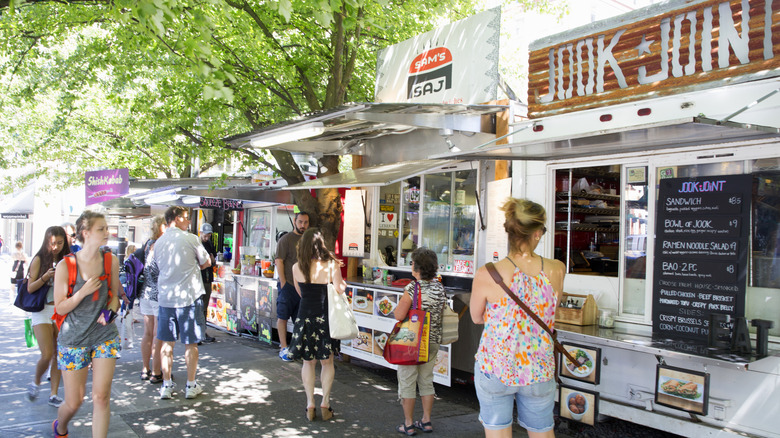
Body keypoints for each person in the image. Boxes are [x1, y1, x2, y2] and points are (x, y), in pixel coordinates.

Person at [469, 198, 565, 438]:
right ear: (537, 232)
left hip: (496, 365)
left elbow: (476, 317)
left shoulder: (487, 273)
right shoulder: (556, 269)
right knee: (542, 433)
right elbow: (550, 312)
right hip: (539, 367)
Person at [52, 211, 121, 438]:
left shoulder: (111, 260)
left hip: (104, 335)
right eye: (101, 229)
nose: (107, 232)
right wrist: (81, 293)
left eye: (106, 228)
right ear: (86, 233)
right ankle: (60, 427)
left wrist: (110, 312)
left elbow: (114, 297)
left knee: (101, 396)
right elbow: (60, 308)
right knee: (75, 402)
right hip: (74, 339)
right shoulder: (66, 265)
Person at [153, 206, 211, 400]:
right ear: (176, 219)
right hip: (189, 297)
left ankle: (167, 384)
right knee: (191, 344)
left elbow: (157, 268)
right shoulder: (191, 238)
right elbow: (205, 263)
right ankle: (191, 384)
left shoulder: (159, 243)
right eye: (186, 218)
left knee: (167, 344)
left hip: (166, 299)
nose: (188, 222)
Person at [287, 228, 344, 422]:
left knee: (307, 362)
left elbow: (300, 293)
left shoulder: (296, 267)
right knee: (327, 361)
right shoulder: (331, 266)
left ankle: (310, 403)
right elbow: (339, 290)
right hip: (325, 318)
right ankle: (325, 403)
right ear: (321, 244)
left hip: (304, 318)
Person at [393, 247, 446, 436]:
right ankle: (426, 420)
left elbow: (399, 314)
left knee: (407, 381)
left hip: (412, 343)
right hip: (432, 342)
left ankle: (408, 423)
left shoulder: (412, 288)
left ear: (417, 266)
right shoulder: (440, 288)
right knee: (426, 380)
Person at [25, 227, 70, 408]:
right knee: (47, 353)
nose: (56, 247)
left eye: (60, 243)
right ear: (46, 242)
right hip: (41, 310)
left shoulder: (66, 260)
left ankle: (54, 394)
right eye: (53, 243)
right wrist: (45, 277)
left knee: (59, 354)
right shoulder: (38, 259)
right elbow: (30, 288)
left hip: (59, 310)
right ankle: (36, 383)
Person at [274, 211, 309, 361]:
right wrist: (283, 282)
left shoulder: (309, 240)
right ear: (295, 222)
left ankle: (296, 347)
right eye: (300, 222)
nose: (303, 225)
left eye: (306, 222)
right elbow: (279, 261)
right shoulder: (286, 239)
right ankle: (283, 347)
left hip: (303, 286)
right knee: (282, 316)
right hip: (288, 285)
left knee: (300, 320)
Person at [139, 215, 166, 384]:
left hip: (145, 293)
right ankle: (156, 371)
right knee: (158, 334)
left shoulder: (147, 244)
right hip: (157, 294)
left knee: (147, 333)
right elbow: (158, 271)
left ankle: (145, 369)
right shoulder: (159, 245)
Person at [199, 223, 217, 343]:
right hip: (198, 279)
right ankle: (197, 332)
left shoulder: (210, 244)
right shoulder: (197, 244)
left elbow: (213, 260)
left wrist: (212, 260)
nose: (207, 238)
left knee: (204, 307)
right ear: (200, 233)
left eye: (209, 236)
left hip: (207, 278)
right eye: (205, 236)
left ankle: (202, 332)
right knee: (198, 307)